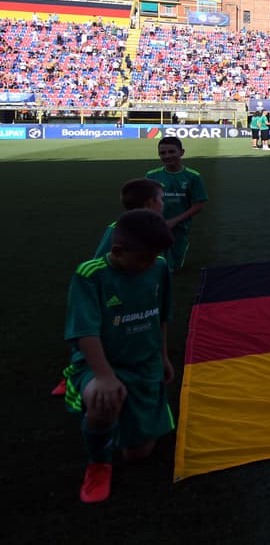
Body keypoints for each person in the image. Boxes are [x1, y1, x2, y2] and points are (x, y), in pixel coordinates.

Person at [63, 209, 175, 503]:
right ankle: (99, 462)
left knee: (138, 454)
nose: (150, 264)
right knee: (104, 399)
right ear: (117, 250)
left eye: (154, 257)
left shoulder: (159, 266)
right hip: (101, 365)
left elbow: (161, 316)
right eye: (143, 259)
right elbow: (84, 332)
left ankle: (129, 416)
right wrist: (104, 376)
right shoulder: (90, 275)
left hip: (145, 363)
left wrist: (163, 356)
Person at [145, 137, 208, 270]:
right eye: (162, 153)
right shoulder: (152, 175)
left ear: (182, 152)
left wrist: (175, 221)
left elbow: (199, 204)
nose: (167, 156)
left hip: (180, 227)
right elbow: (145, 201)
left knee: (176, 266)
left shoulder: (193, 176)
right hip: (156, 226)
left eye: (171, 151)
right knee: (157, 265)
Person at [93, 178, 165, 259]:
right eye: (162, 199)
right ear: (149, 203)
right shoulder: (119, 228)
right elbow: (100, 261)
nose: (163, 203)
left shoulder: (155, 227)